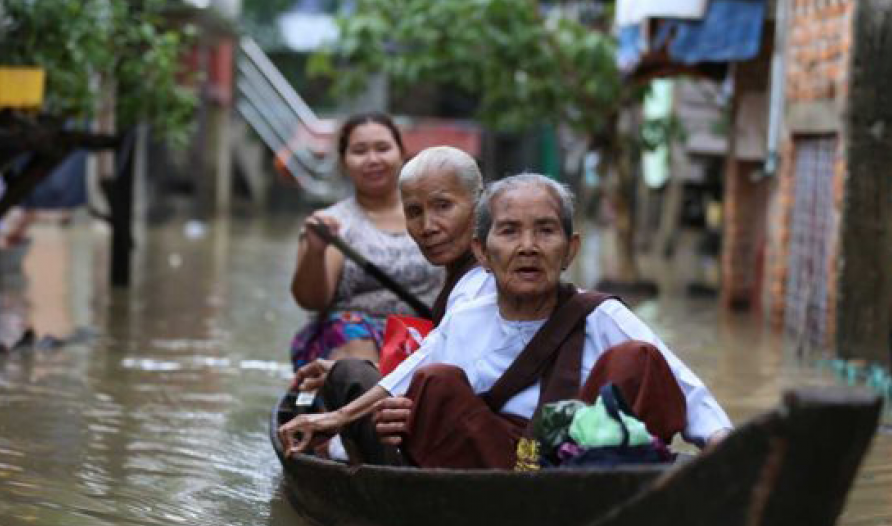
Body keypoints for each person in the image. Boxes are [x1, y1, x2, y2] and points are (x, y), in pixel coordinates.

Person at [279, 173, 732, 468]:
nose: (529, 246)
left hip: (584, 470)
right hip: (491, 469)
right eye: (510, 231)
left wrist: (724, 449)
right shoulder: (467, 318)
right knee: (434, 384)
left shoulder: (603, 315)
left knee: (640, 360)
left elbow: (684, 387)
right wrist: (333, 424)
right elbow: (399, 383)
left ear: (570, 250)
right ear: (481, 251)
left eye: (546, 231)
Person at [288, 146, 495, 460]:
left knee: (350, 375)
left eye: (443, 206)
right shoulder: (335, 220)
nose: (428, 227)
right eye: (414, 212)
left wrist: (340, 416)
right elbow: (440, 350)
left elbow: (456, 366)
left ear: (478, 203)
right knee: (348, 364)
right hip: (372, 340)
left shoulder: (482, 278)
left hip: (473, 429)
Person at [289, 112, 443, 370]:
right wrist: (315, 251)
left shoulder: (435, 217)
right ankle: (362, 399)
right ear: (344, 162)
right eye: (360, 151)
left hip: (422, 334)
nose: (373, 159)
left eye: (383, 148)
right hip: (351, 342)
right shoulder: (331, 224)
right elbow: (312, 301)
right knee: (355, 339)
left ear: (402, 153)